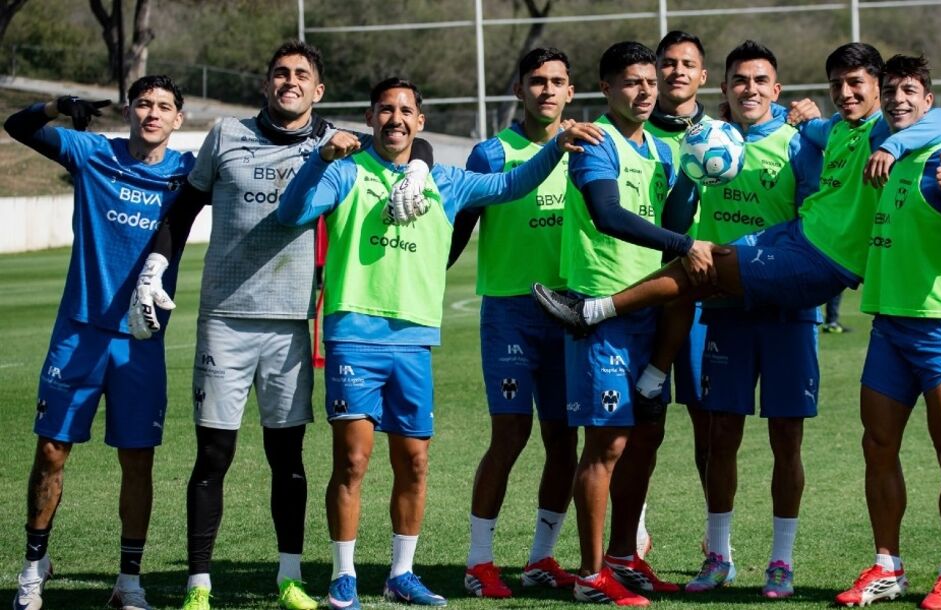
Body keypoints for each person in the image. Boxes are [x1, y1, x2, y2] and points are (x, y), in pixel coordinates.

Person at [127, 41, 436, 610]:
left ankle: (289, 578)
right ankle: (199, 585)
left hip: (293, 321)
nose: (289, 81)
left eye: (301, 75)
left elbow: (408, 137)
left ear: (318, 90)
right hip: (225, 317)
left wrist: (418, 166)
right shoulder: (226, 134)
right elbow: (186, 206)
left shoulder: (336, 141)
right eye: (280, 73)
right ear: (266, 84)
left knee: (287, 458)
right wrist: (156, 266)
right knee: (213, 455)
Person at [277, 77, 600, 610]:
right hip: (355, 335)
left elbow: (510, 185)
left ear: (420, 122)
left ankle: (401, 573)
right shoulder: (347, 171)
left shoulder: (445, 181)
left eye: (406, 111)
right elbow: (292, 213)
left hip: (415, 340)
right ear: (370, 117)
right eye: (386, 110)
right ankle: (343, 574)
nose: (396, 119)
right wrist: (319, 159)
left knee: (415, 463)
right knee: (353, 461)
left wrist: (556, 149)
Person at [533, 43, 941, 362]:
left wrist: (893, 145)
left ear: (878, 89)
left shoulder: (881, 130)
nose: (845, 93)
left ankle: (592, 312)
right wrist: (781, 115)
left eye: (856, 84)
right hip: (795, 237)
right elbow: (795, 123)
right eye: (836, 85)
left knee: (706, 267)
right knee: (702, 263)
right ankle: (651, 370)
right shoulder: (833, 130)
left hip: (821, 260)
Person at [5, 75, 194, 610]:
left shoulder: (187, 172)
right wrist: (57, 105)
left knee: (137, 462)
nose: (152, 113)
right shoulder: (93, 153)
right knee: (51, 451)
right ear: (130, 111)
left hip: (140, 342)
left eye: (163, 107)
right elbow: (18, 126)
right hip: (79, 333)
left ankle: (128, 583)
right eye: (143, 104)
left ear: (178, 119)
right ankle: (33, 568)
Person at [555, 40, 727, 607]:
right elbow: (607, 215)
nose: (646, 91)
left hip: (648, 311)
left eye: (650, 82)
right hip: (602, 308)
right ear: (605, 88)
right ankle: (590, 575)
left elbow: (673, 218)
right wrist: (683, 245)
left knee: (646, 438)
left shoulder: (660, 149)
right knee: (606, 444)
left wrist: (696, 174)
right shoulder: (595, 143)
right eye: (632, 82)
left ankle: (624, 559)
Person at [833, 55, 941, 610]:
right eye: (891, 90)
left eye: (910, 90)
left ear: (928, 100)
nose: (898, 99)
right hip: (889, 324)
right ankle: (888, 566)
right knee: (877, 443)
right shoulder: (886, 151)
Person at [664, 40, 821, 600]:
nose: (748, 89)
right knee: (720, 435)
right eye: (739, 80)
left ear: (775, 90)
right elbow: (676, 222)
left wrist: (755, 250)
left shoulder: (798, 144)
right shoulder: (706, 139)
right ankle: (718, 555)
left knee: (787, 440)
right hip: (725, 308)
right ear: (724, 88)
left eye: (759, 81)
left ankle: (781, 561)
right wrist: (690, 174)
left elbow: (814, 220)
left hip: (787, 308)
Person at [446, 47, 581, 598]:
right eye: (537, 81)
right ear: (519, 90)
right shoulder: (492, 153)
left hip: (569, 310)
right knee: (511, 434)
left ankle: (541, 558)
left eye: (557, 81)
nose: (547, 90)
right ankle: (479, 562)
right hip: (510, 312)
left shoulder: (587, 146)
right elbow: (459, 225)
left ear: (571, 91)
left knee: (564, 440)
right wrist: (426, 273)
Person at [636, 28, 711, 560]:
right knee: (646, 420)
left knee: (710, 421)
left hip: (709, 299)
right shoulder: (633, 132)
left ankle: (716, 536)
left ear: (703, 75)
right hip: (649, 292)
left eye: (687, 64)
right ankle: (634, 531)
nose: (677, 71)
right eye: (668, 63)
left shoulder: (726, 132)